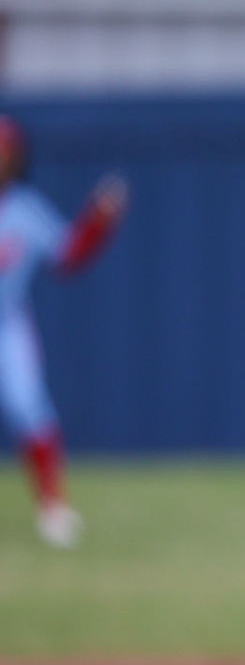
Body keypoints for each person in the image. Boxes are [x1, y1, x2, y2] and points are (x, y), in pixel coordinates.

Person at [0, 115, 127, 549]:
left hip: (6, 323)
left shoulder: (23, 210)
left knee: (30, 407)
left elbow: (68, 254)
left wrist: (99, 218)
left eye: (6, 153)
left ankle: (52, 509)